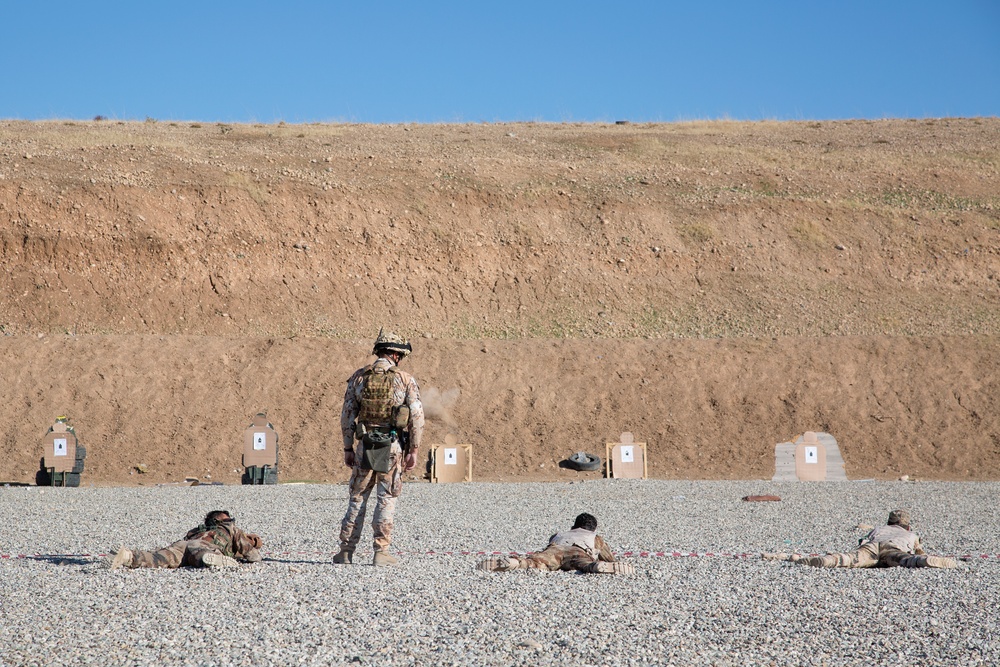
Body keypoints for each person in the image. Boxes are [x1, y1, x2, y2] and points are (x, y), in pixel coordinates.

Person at [334, 329, 425, 567]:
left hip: (364, 445)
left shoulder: (358, 377)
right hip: (392, 446)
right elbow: (416, 416)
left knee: (357, 498)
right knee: (386, 499)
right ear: (395, 355)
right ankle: (381, 552)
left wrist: (347, 448)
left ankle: (346, 551)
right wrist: (414, 449)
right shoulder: (405, 379)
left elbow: (347, 416)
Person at [762, 509, 958, 569]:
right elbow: (917, 549)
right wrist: (922, 555)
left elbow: (861, 543)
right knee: (906, 560)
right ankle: (926, 564)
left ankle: (831, 560)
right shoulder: (911, 534)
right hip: (893, 548)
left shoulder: (878, 528)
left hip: (872, 545)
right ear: (907, 525)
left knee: (851, 559)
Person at [476, 513, 635, 574]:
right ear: (593, 528)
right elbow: (609, 557)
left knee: (536, 563)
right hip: (579, 553)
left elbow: (549, 544)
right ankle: (594, 567)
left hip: (555, 549)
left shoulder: (559, 534)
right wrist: (611, 563)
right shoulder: (595, 537)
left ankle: (515, 562)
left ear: (574, 525)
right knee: (585, 564)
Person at [110, 510, 263, 569]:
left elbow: (188, 542)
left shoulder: (196, 531)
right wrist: (254, 555)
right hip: (203, 546)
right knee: (201, 554)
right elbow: (250, 553)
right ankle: (212, 559)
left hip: (181, 545)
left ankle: (128, 557)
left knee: (161, 558)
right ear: (220, 521)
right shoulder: (230, 529)